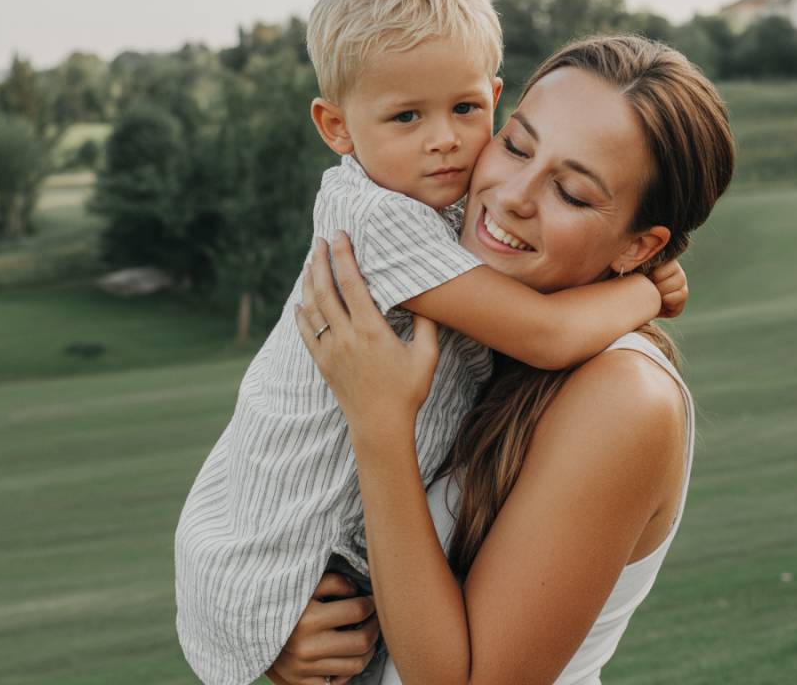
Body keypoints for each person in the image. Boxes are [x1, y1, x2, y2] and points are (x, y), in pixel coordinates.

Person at [174, 0, 683, 685]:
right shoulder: (380, 220)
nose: (445, 141)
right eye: (407, 117)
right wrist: (649, 293)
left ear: (493, 95)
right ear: (336, 127)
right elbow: (544, 336)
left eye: (468, 112)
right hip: (284, 557)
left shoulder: (621, 396)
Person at [273, 34, 735, 684]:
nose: (514, 194)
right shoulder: (468, 335)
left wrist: (380, 426)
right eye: (516, 145)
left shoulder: (624, 396)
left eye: (571, 192)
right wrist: (297, 630)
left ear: (639, 247)